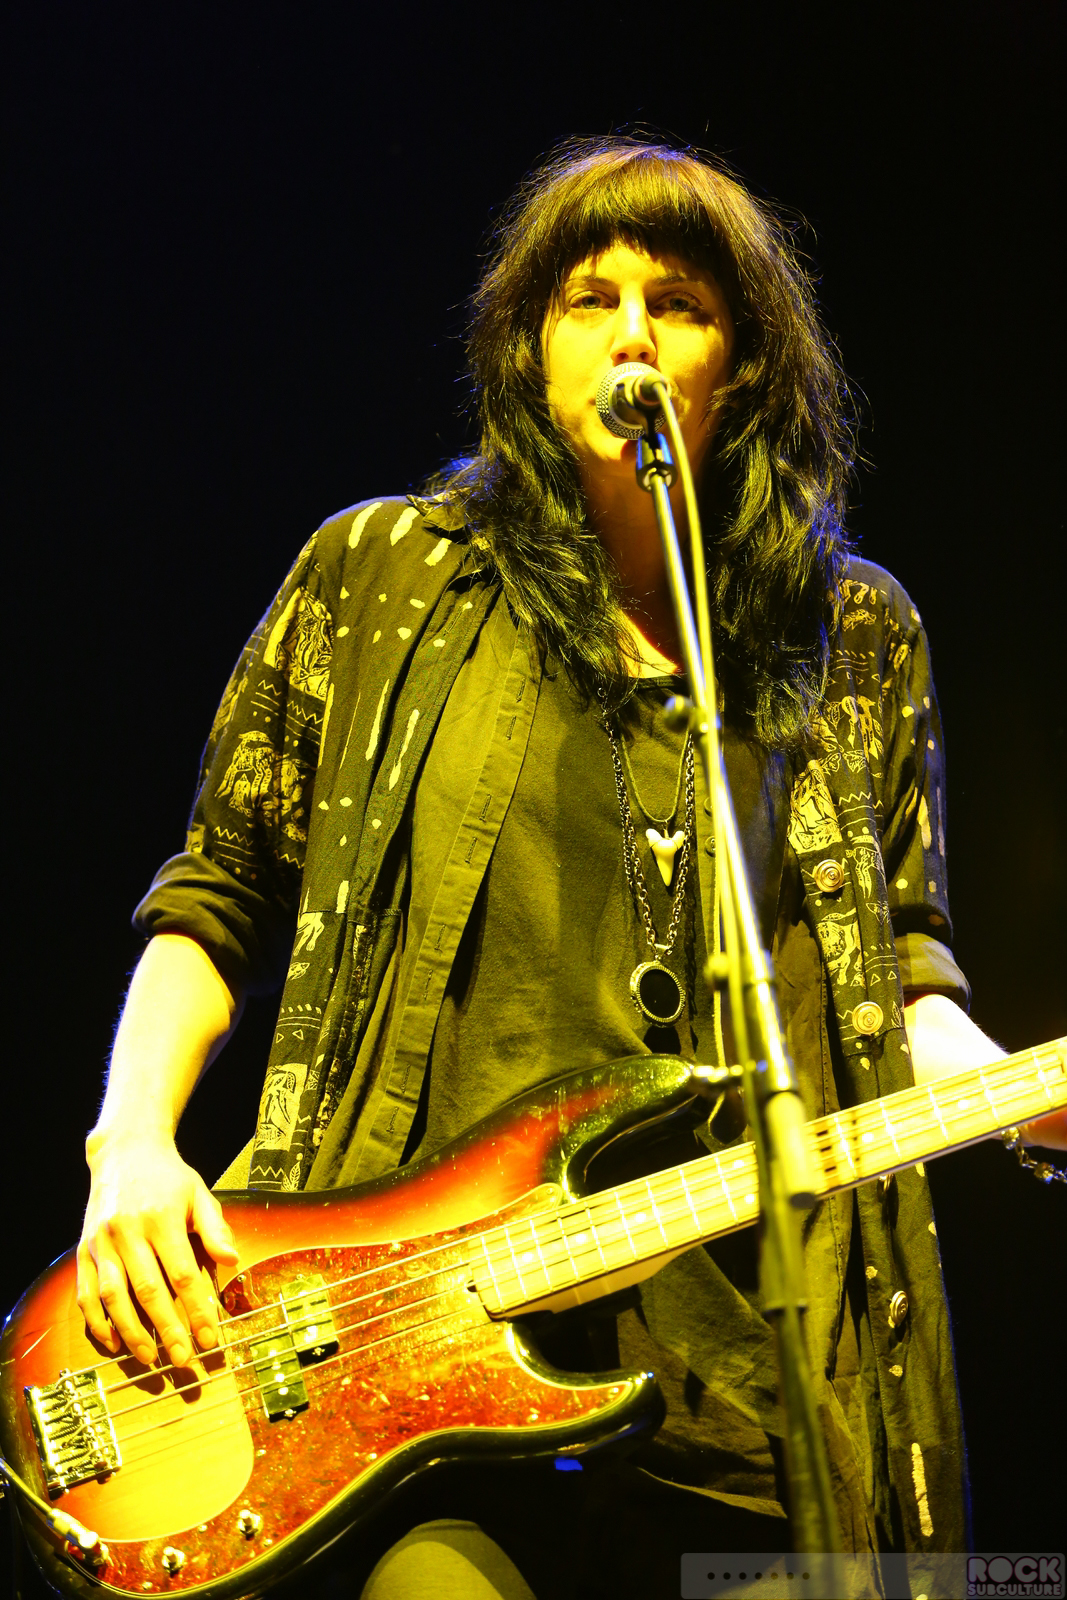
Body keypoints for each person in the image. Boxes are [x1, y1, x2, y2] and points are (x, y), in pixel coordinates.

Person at [74, 139, 1065, 1599]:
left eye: (680, 304)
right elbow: (217, 894)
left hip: (749, 1399)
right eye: (589, 300)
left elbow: (899, 979)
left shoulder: (850, 636)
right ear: (531, 353)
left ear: (744, 363)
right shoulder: (382, 578)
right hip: (424, 1373)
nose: (633, 336)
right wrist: (131, 1149)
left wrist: (1025, 1095)